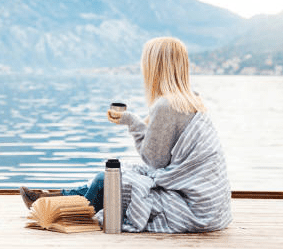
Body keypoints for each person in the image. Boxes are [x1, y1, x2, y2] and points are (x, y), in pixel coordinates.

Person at [20, 36, 232, 233]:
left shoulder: (166, 105)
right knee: (113, 177)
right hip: (211, 206)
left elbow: (154, 161)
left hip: (191, 207)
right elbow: (164, 160)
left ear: (155, 67)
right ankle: (52, 198)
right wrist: (138, 122)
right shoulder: (192, 100)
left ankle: (56, 207)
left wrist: (132, 123)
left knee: (106, 180)